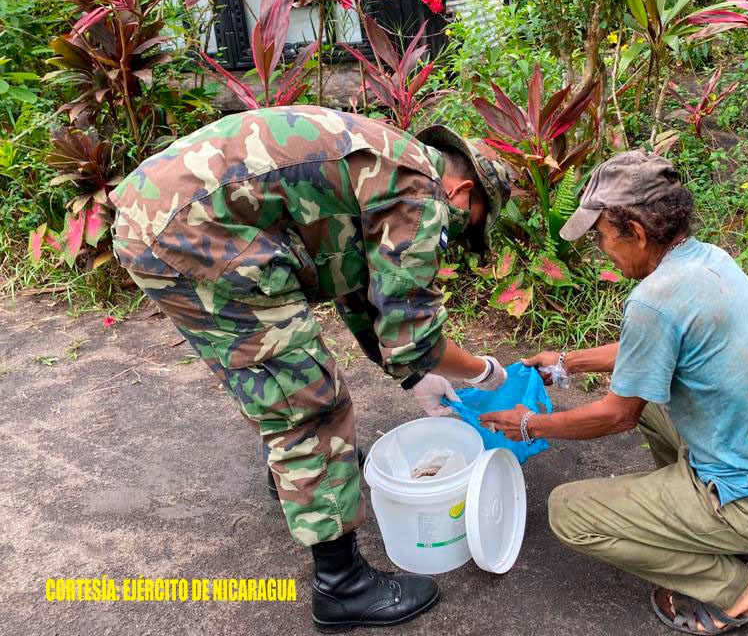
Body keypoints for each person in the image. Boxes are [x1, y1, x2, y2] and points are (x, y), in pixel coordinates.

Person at [109, 106, 511, 633]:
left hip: (158, 217)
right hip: (199, 231)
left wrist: (414, 375)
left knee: (270, 372)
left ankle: (299, 477)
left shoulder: (392, 165)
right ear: (463, 193)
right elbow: (416, 336)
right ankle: (342, 587)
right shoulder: (423, 193)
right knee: (311, 402)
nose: (455, 237)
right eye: (468, 226)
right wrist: (483, 371)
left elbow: (359, 290)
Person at [481, 150, 748, 635]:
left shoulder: (654, 300)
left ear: (637, 232)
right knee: (653, 401)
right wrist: (566, 362)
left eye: (601, 236)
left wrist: (528, 424)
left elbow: (616, 415)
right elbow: (647, 351)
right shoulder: (706, 260)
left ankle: (739, 591)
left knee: (569, 512)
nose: (602, 249)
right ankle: (690, 523)